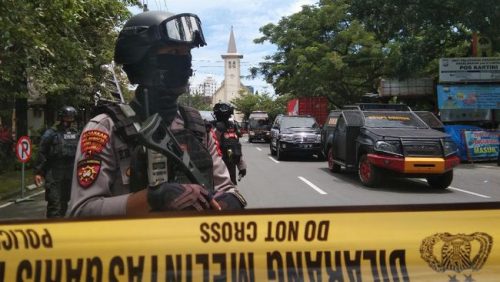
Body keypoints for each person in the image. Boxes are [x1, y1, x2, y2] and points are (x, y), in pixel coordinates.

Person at [67, 11, 247, 217]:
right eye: (173, 53)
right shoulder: (106, 128)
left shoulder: (196, 125)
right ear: (141, 61)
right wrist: (152, 199)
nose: (184, 63)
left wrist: (230, 201)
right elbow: (82, 211)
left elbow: (226, 187)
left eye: (186, 54)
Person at [34, 106, 80, 218]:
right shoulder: (51, 133)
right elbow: (42, 152)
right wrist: (38, 172)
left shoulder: (76, 133)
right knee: (54, 203)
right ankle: (53, 229)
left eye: (71, 117)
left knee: (64, 202)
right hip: (54, 172)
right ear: (61, 117)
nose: (69, 119)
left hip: (70, 172)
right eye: (67, 117)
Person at [211, 102, 247, 184]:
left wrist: (242, 166)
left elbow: (235, 149)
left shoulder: (232, 127)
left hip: (229, 168)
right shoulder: (210, 128)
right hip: (215, 169)